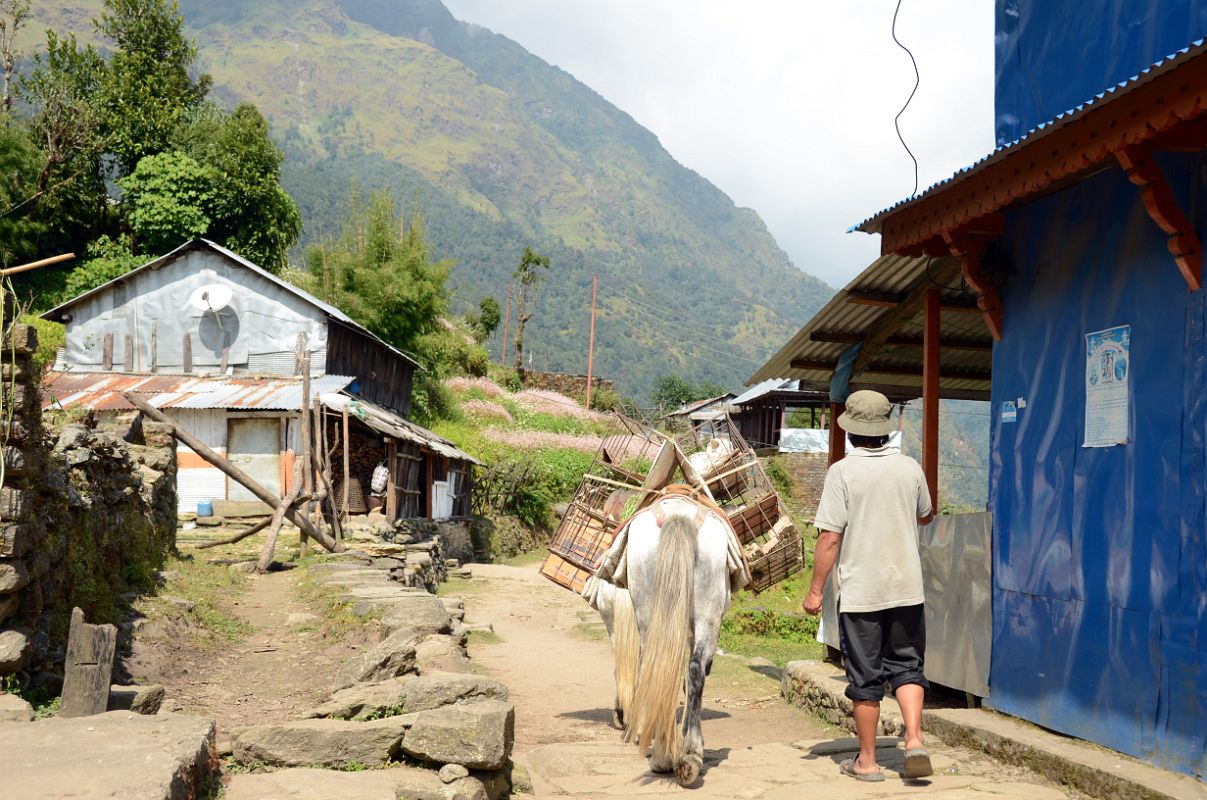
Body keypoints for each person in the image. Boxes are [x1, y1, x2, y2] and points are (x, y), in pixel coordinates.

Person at [802, 390, 934, 781]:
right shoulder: (909, 468)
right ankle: (913, 740)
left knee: (865, 677)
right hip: (907, 589)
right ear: (886, 429)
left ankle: (868, 761)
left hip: (862, 595)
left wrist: (814, 591)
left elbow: (830, 538)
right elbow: (926, 515)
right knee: (908, 666)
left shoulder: (842, 472)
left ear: (850, 431)